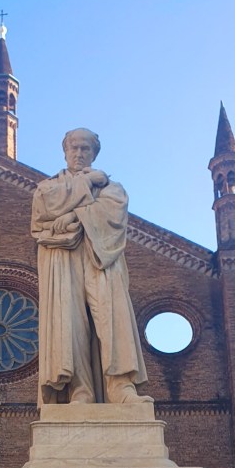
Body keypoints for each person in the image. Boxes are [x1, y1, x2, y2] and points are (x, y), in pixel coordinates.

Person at [31, 128, 147, 405]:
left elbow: (114, 212)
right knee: (70, 324)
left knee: (111, 318)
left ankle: (120, 387)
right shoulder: (48, 187)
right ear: (65, 151)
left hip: (100, 257)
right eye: (75, 148)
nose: (80, 153)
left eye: (86, 149)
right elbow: (44, 208)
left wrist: (73, 214)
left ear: (94, 154)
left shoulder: (111, 188)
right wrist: (86, 189)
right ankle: (80, 390)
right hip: (63, 260)